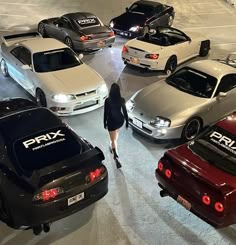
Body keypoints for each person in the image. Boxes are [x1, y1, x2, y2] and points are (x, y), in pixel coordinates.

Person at [103, 83, 129, 168]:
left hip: (111, 121)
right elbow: (125, 112)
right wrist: (127, 123)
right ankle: (112, 146)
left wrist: (104, 123)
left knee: (113, 140)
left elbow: (105, 113)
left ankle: (116, 155)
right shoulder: (121, 100)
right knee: (115, 135)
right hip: (120, 120)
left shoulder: (107, 101)